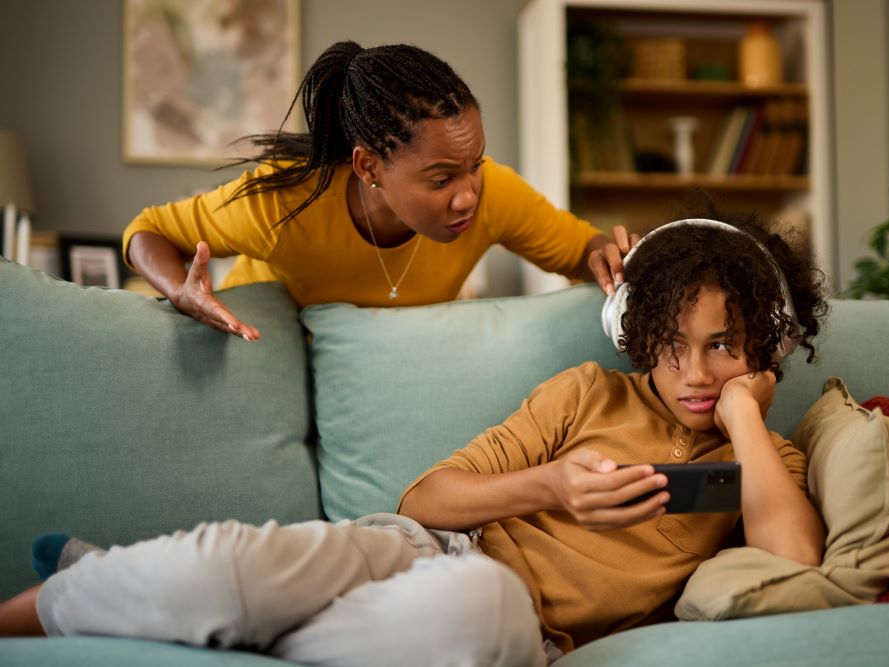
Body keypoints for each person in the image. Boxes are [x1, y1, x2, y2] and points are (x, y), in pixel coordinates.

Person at [1, 206, 828, 665]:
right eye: (673, 343)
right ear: (635, 329)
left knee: (470, 611)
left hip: (511, 624)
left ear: (770, 345)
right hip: (418, 545)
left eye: (722, 346)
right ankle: (60, 601)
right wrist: (554, 485)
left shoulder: (763, 457)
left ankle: (150, 592)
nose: (691, 373)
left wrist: (745, 414)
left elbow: (796, 563)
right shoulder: (585, 392)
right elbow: (426, 498)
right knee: (255, 559)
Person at [123, 40, 633, 341]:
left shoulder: (492, 192)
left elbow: (582, 250)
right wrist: (180, 292)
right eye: (440, 179)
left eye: (474, 165)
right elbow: (147, 230)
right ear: (368, 166)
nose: (468, 196)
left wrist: (606, 256)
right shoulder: (281, 204)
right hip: (274, 366)